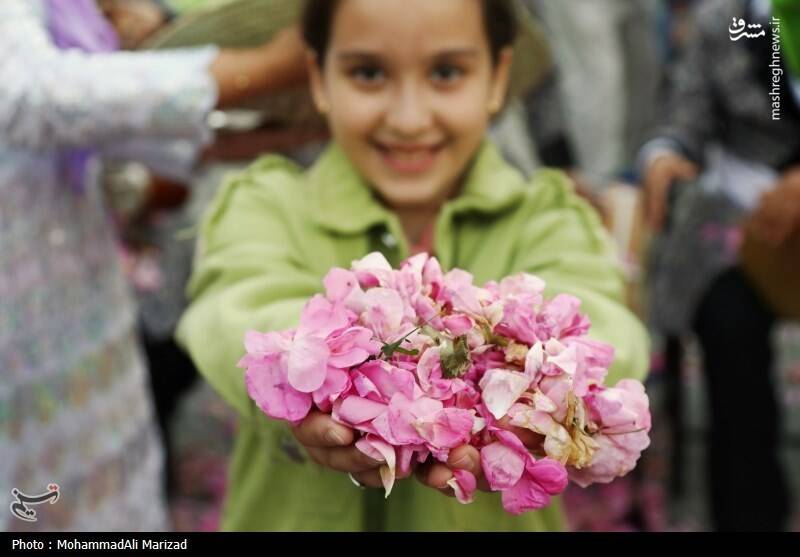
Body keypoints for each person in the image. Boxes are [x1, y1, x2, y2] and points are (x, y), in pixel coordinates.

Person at [177, 0, 649, 531]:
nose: (408, 118)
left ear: (497, 79)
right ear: (319, 78)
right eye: (368, 73)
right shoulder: (265, 202)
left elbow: (610, 326)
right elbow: (232, 310)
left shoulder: (547, 215)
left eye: (446, 72)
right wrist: (326, 370)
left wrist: (535, 383)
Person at [0, 0, 307, 531]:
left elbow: (105, 134)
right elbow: (29, 94)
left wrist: (293, 127)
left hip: (89, 330)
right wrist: (276, 63)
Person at [639, 0, 800, 532]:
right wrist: (664, 156)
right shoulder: (726, 19)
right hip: (742, 222)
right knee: (729, 340)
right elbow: (686, 117)